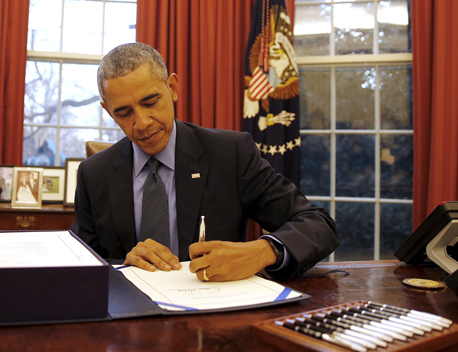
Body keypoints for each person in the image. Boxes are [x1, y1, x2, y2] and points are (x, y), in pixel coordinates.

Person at [72, 43, 339, 282]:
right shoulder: (93, 175)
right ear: (108, 111)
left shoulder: (230, 154)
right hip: (130, 322)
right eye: (124, 112)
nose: (142, 123)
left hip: (214, 319)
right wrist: (122, 266)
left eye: (150, 102)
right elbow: (78, 268)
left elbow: (319, 225)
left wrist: (262, 251)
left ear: (172, 88)